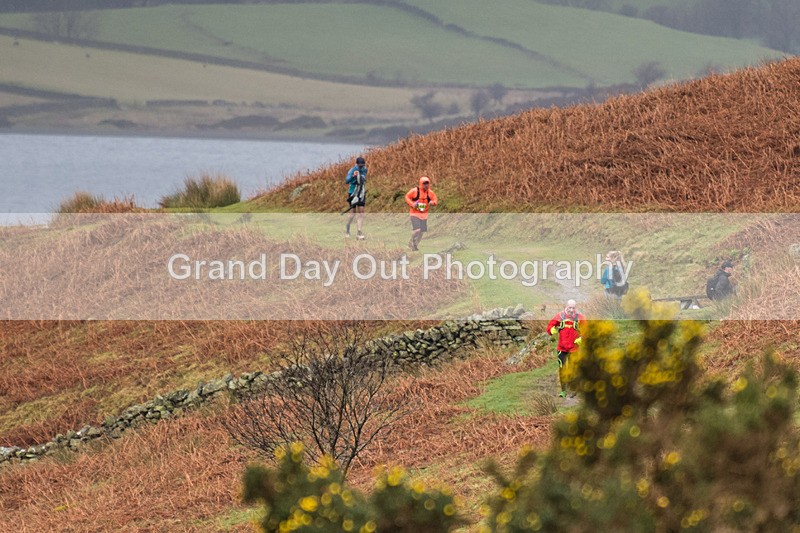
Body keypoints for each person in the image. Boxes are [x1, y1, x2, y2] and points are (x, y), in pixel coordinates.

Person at [547, 299, 586, 398]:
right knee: (562, 369)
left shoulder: (580, 317)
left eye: (573, 308)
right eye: (570, 308)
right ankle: (563, 391)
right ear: (566, 306)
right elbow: (550, 326)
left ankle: (574, 390)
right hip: (562, 348)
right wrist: (551, 330)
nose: (571, 310)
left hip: (574, 348)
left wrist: (582, 338)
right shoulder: (559, 316)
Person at [404, 176, 438, 251]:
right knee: (417, 230)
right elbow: (407, 197)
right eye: (424, 184)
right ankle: (410, 243)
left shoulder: (430, 193)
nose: (426, 185)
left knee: (422, 232)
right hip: (414, 213)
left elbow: (435, 200)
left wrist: (433, 202)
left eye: (427, 183)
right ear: (421, 184)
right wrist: (412, 204)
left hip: (424, 215)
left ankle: (415, 246)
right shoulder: (415, 191)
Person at [345, 156, 367, 239]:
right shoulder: (352, 170)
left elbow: (363, 179)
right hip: (352, 193)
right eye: (359, 166)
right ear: (356, 164)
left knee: (361, 212)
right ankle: (347, 228)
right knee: (352, 214)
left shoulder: (365, 169)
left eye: (362, 165)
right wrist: (353, 176)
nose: (361, 167)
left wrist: (361, 176)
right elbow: (346, 181)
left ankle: (359, 232)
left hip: (361, 192)